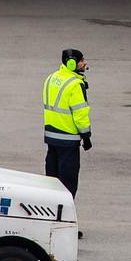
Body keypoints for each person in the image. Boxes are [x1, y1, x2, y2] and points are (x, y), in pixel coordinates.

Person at [42, 48, 92, 194]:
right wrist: (86, 136)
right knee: (67, 185)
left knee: (52, 182)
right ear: (71, 64)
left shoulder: (51, 78)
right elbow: (80, 114)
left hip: (51, 137)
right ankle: (63, 215)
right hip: (68, 139)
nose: (85, 63)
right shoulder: (75, 85)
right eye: (82, 60)